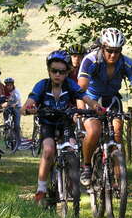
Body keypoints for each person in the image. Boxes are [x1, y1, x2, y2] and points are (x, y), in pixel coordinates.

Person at [21, 50, 103, 205]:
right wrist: (28, 108)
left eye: (62, 72)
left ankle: (72, 184)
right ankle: (41, 189)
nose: (58, 75)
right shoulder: (42, 85)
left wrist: (95, 106)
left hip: (65, 123)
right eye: (54, 71)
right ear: (49, 71)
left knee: (73, 148)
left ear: (67, 73)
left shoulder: (70, 84)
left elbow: (84, 97)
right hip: (48, 124)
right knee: (49, 150)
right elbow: (28, 102)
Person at [77, 28, 132, 186]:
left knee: (117, 135)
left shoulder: (127, 63)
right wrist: (83, 109)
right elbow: (80, 88)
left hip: (112, 100)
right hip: (91, 100)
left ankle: (118, 180)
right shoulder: (90, 60)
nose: (113, 55)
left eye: (117, 51)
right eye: (109, 51)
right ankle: (87, 166)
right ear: (102, 47)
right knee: (94, 131)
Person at [3, 77, 22, 151]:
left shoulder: (16, 91)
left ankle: (19, 144)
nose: (8, 87)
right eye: (7, 85)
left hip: (17, 107)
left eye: (10, 85)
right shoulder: (4, 91)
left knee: (16, 125)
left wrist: (15, 104)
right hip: (8, 107)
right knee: (5, 114)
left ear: (12, 85)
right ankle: (6, 127)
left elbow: (18, 99)